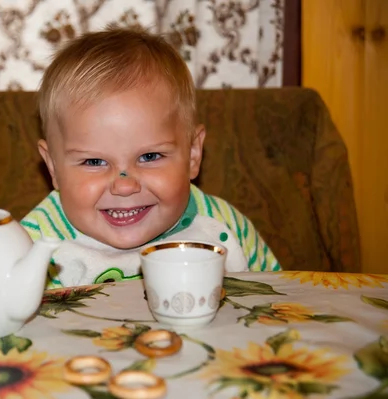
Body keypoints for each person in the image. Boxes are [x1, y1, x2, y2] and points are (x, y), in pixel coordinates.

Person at [21, 26, 281, 289]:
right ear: (53, 167)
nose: (124, 185)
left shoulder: (225, 227)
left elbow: (280, 299)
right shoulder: (30, 244)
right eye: (94, 162)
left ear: (192, 155)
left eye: (149, 156)